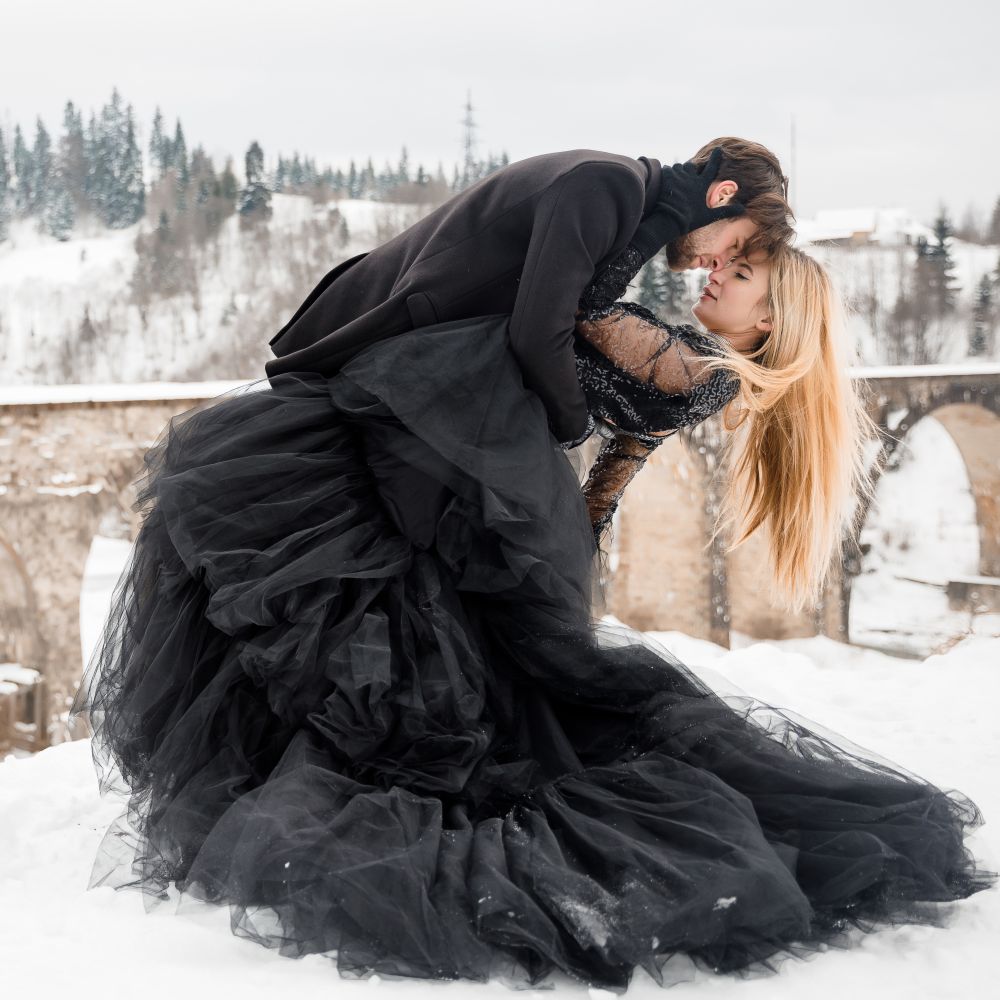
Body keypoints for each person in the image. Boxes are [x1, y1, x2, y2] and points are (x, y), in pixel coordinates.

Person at [70, 170, 994, 993]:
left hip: (450, 438)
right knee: (390, 645)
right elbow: (617, 467)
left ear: (771, 322)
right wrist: (548, 560)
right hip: (463, 460)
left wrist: (639, 213)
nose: (717, 273)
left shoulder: (690, 363)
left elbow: (564, 314)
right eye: (730, 261)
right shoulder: (694, 364)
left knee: (377, 648)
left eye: (742, 274)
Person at [264, 138, 793, 445]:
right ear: (722, 194)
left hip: (409, 359)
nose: (719, 264)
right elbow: (542, 331)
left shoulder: (622, 196)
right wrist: (573, 428)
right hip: (378, 335)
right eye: (734, 244)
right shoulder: (608, 186)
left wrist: (664, 223)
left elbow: (578, 306)